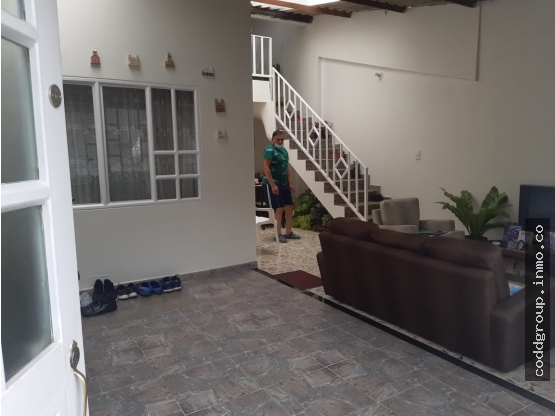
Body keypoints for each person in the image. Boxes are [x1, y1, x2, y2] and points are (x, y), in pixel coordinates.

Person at [262, 130, 301, 243]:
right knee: (279, 208)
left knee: (289, 207)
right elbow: (266, 168)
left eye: (281, 139)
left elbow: (286, 168)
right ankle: (278, 234)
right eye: (278, 139)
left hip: (284, 183)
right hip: (272, 184)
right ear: (272, 139)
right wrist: (273, 185)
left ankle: (288, 232)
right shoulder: (269, 150)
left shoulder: (284, 151)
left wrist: (290, 183)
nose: (280, 141)